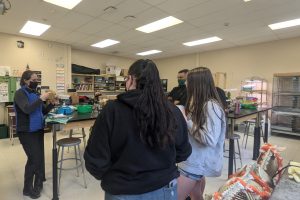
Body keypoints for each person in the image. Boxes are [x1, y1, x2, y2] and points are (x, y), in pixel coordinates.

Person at [84, 59, 192, 200]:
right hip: (165, 188)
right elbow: (183, 152)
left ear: (130, 79)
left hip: (123, 189)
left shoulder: (112, 111)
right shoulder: (172, 110)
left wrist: (113, 177)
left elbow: (96, 160)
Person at [177, 67, 226, 200]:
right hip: (194, 161)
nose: (186, 84)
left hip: (194, 164)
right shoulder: (201, 103)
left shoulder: (210, 106)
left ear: (197, 84)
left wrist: (185, 120)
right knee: (196, 197)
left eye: (188, 81)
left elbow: (210, 139)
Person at [14, 70, 57, 199]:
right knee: (33, 159)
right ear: (26, 80)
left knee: (38, 158)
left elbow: (42, 111)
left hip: (38, 130)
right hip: (26, 132)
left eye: (37, 79)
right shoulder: (20, 93)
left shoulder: (35, 93)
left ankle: (38, 183)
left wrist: (51, 104)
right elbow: (26, 109)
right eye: (33, 79)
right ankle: (27, 189)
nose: (36, 82)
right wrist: (40, 99)